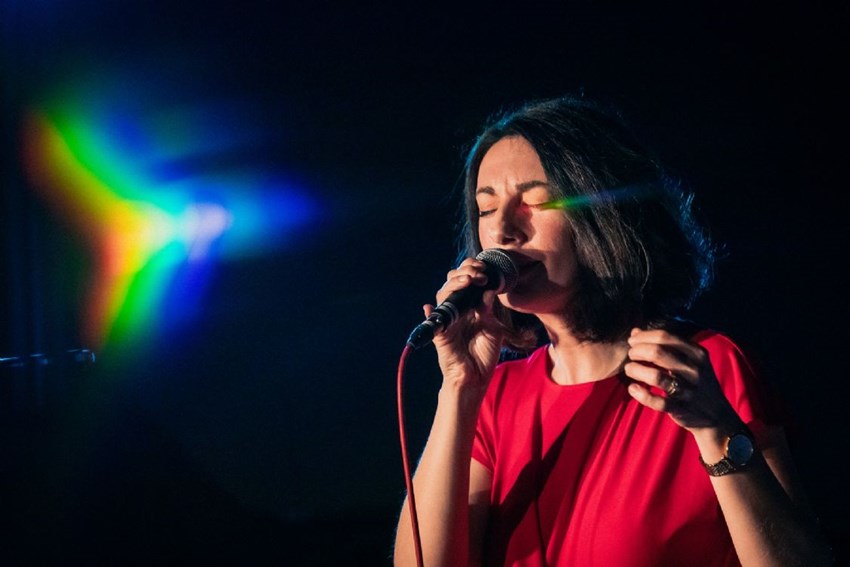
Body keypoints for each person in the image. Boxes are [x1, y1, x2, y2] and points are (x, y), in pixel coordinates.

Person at [393, 95, 833, 566]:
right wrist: (458, 388)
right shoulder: (496, 398)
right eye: (486, 209)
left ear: (603, 211)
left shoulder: (706, 366)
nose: (502, 230)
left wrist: (716, 430)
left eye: (535, 201)